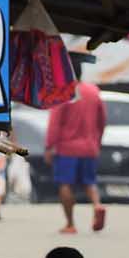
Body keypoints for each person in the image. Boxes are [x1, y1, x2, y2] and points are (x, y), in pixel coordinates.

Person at [45, 76, 107, 234]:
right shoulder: (93, 91)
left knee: (65, 184)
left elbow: (55, 122)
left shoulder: (63, 93)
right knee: (89, 182)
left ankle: (70, 223)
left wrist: (49, 146)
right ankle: (97, 204)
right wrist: (97, 142)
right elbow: (102, 120)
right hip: (89, 147)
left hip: (67, 148)